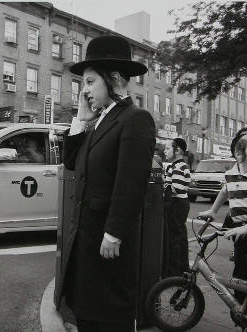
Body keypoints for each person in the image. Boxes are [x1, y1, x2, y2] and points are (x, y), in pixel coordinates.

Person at [61, 35, 156, 332]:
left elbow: (131, 183)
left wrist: (114, 233)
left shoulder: (135, 119)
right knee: (88, 317)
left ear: (113, 78)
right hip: (88, 243)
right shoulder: (100, 121)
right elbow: (71, 162)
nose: (84, 90)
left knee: (108, 320)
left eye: (89, 82)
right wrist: (81, 118)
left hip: (108, 246)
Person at [199, 131, 247, 331]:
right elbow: (225, 190)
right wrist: (213, 211)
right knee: (240, 279)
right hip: (243, 235)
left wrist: (246, 227)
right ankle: (245, 320)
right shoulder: (231, 173)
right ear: (240, 155)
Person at [163, 138, 191, 277]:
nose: (165, 151)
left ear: (177, 150)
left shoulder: (178, 167)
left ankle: (175, 271)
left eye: (168, 148)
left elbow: (177, 189)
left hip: (176, 205)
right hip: (180, 205)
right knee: (179, 236)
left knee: (174, 238)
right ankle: (182, 267)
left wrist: (163, 185)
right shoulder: (178, 166)